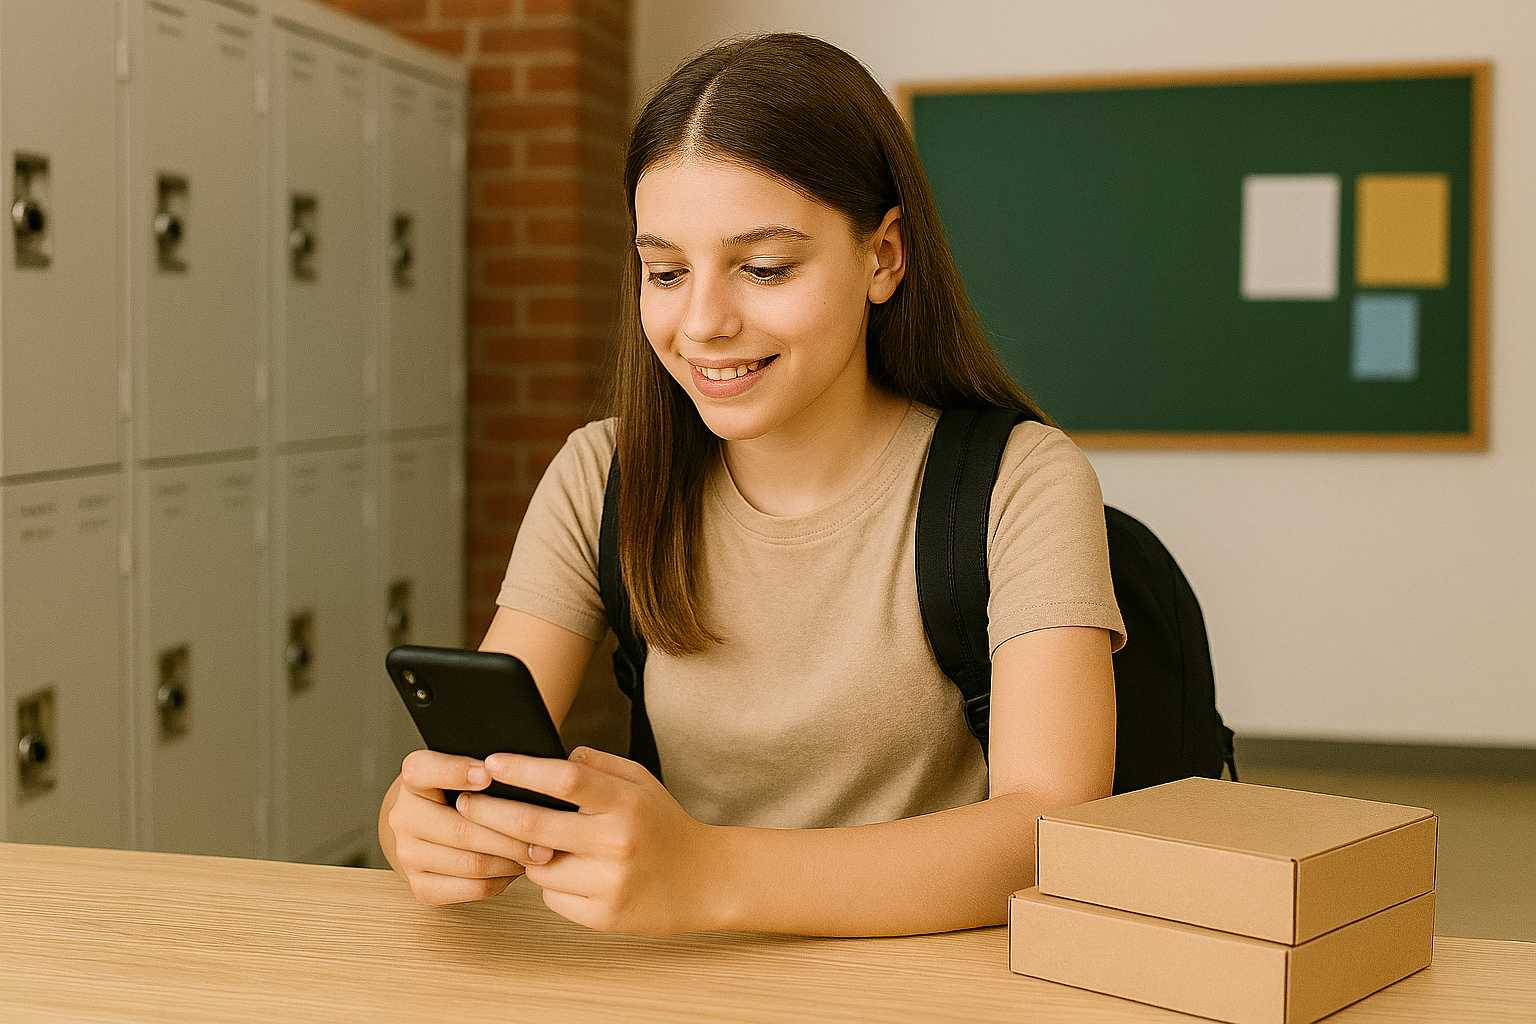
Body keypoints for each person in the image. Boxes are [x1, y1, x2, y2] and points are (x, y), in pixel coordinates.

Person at [377, 32, 1125, 938]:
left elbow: (1050, 826)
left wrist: (709, 872)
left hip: (925, 982)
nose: (702, 323)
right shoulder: (599, 475)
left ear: (884, 258)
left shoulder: (1022, 481)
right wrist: (425, 823)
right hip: (678, 976)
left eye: (764, 268)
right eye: (665, 272)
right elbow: (480, 761)